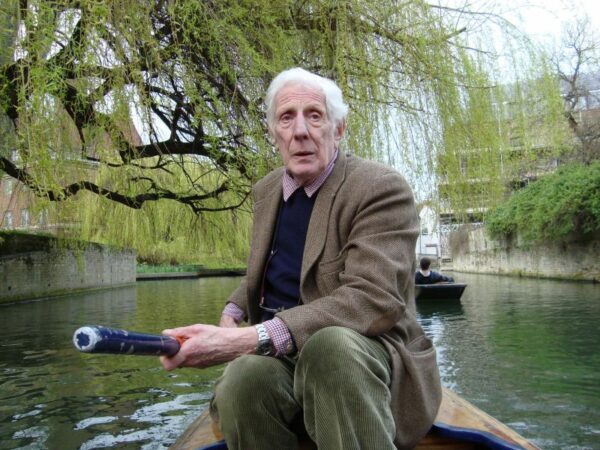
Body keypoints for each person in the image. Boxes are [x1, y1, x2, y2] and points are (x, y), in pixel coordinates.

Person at [160, 68, 441, 450]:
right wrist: (234, 309)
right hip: (284, 356)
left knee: (329, 349)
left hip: (366, 351)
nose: (301, 131)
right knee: (242, 380)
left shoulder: (380, 188)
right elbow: (273, 268)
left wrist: (250, 338)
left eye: (315, 115)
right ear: (273, 134)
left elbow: (373, 299)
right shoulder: (267, 190)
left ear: (338, 129)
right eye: (286, 118)